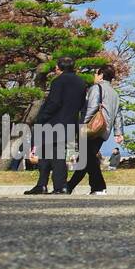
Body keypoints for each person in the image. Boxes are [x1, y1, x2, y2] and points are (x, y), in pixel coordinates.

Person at [25, 57, 86, 195]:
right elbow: (82, 104)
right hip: (70, 121)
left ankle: (60, 186)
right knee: (47, 153)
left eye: (56, 68)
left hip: (54, 122)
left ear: (59, 68)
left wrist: (41, 117)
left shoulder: (58, 81)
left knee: (56, 154)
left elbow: (54, 102)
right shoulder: (81, 82)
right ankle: (41, 184)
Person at [65, 65, 125, 195]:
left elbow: (91, 108)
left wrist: (82, 125)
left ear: (101, 75)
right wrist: (118, 133)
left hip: (92, 128)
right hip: (104, 130)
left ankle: (99, 187)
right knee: (86, 159)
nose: (94, 77)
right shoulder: (115, 94)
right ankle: (69, 187)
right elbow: (118, 114)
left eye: (96, 74)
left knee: (88, 158)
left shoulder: (96, 88)